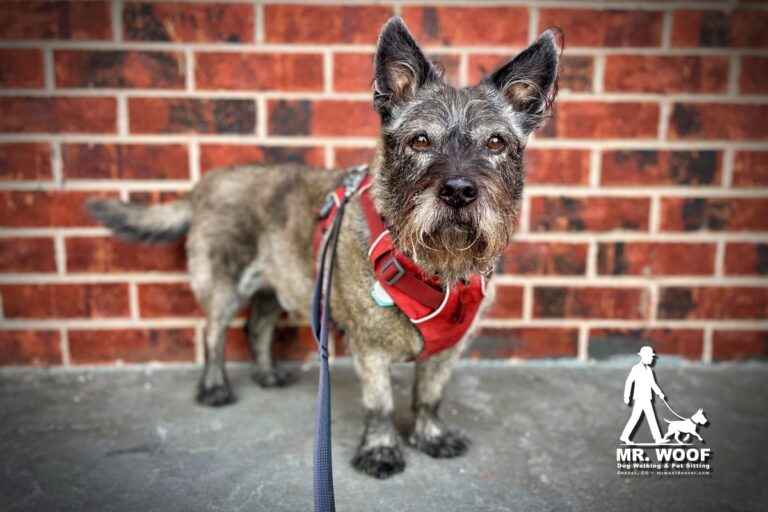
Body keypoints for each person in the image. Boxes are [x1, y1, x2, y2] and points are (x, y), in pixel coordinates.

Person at [620, 346, 669, 445]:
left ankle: (658, 438)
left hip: (647, 398)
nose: (652, 358)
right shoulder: (636, 368)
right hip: (640, 398)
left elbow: (653, 384)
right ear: (645, 357)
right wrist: (626, 396)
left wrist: (660, 393)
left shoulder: (649, 370)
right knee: (636, 418)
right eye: (650, 357)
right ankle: (625, 436)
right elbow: (629, 381)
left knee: (651, 417)